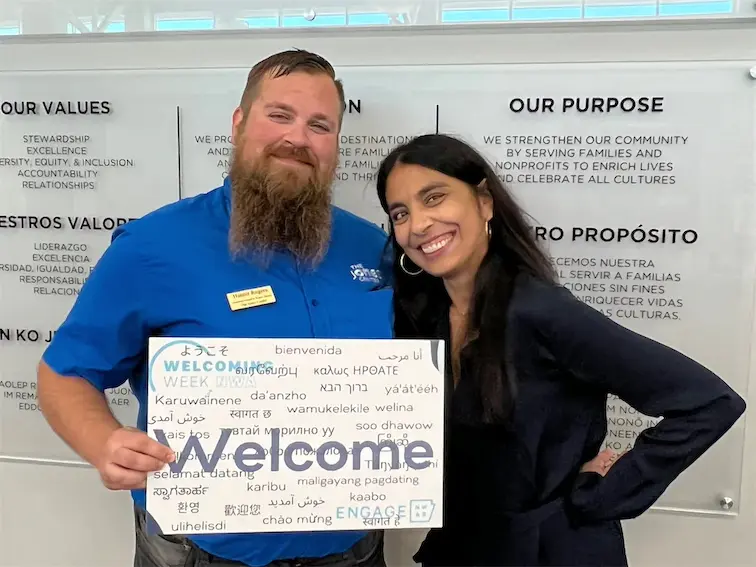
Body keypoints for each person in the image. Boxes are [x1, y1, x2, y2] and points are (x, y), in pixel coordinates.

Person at [37, 49, 391, 567]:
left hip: (353, 553)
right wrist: (103, 442)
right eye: (279, 115)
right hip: (198, 555)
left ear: (336, 144)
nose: (297, 138)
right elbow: (64, 373)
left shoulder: (374, 249)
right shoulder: (153, 246)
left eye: (320, 125)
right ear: (239, 123)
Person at [373, 133, 747, 566]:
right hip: (465, 547)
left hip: (551, 552)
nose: (418, 224)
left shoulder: (541, 311)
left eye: (434, 198)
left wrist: (602, 496)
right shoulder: (422, 319)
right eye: (401, 213)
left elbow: (710, 403)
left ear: (484, 202)